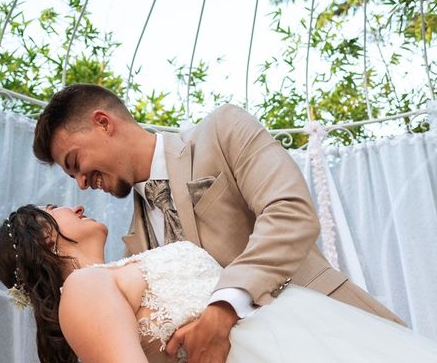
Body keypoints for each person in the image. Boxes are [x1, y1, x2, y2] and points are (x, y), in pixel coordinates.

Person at [31, 84, 404, 363]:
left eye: (75, 162)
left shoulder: (222, 130)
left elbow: (290, 212)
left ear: (102, 123)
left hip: (339, 337)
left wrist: (223, 309)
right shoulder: (134, 253)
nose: (80, 183)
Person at [0, 204, 437, 363]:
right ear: (43, 236)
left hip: (303, 337)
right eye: (56, 207)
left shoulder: (118, 271)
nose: (74, 205)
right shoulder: (84, 289)